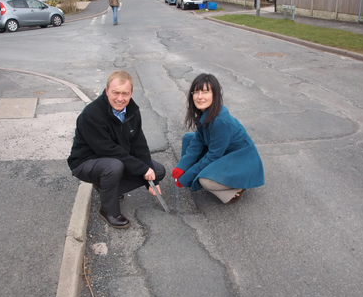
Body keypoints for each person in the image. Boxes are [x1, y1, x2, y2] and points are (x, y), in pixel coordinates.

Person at [68, 70, 166, 229]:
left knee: (158, 171)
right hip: (86, 162)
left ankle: (105, 187)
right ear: (107, 91)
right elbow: (107, 150)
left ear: (131, 93)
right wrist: (142, 169)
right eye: (115, 93)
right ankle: (108, 210)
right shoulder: (92, 114)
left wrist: (151, 179)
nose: (120, 98)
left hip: (114, 159)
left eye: (125, 94)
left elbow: (139, 145)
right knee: (114, 166)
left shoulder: (132, 111)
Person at [172, 73, 264, 204]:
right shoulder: (205, 112)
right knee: (189, 138)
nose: (199, 97)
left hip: (241, 159)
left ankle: (237, 187)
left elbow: (213, 155)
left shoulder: (220, 122)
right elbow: (198, 140)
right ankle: (200, 174)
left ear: (214, 95)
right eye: (196, 92)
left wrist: (189, 175)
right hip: (225, 151)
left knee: (205, 181)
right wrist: (182, 167)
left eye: (205, 92)